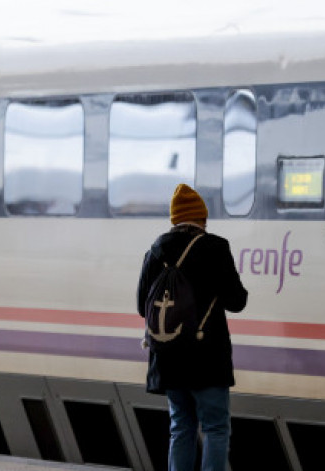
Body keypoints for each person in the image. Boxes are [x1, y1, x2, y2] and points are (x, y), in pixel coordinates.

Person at [137, 183, 248, 471]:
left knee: (181, 426)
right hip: (207, 357)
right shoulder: (215, 247)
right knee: (215, 427)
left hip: (169, 358)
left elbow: (142, 306)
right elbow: (237, 301)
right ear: (202, 218)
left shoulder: (155, 251)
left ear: (174, 219)